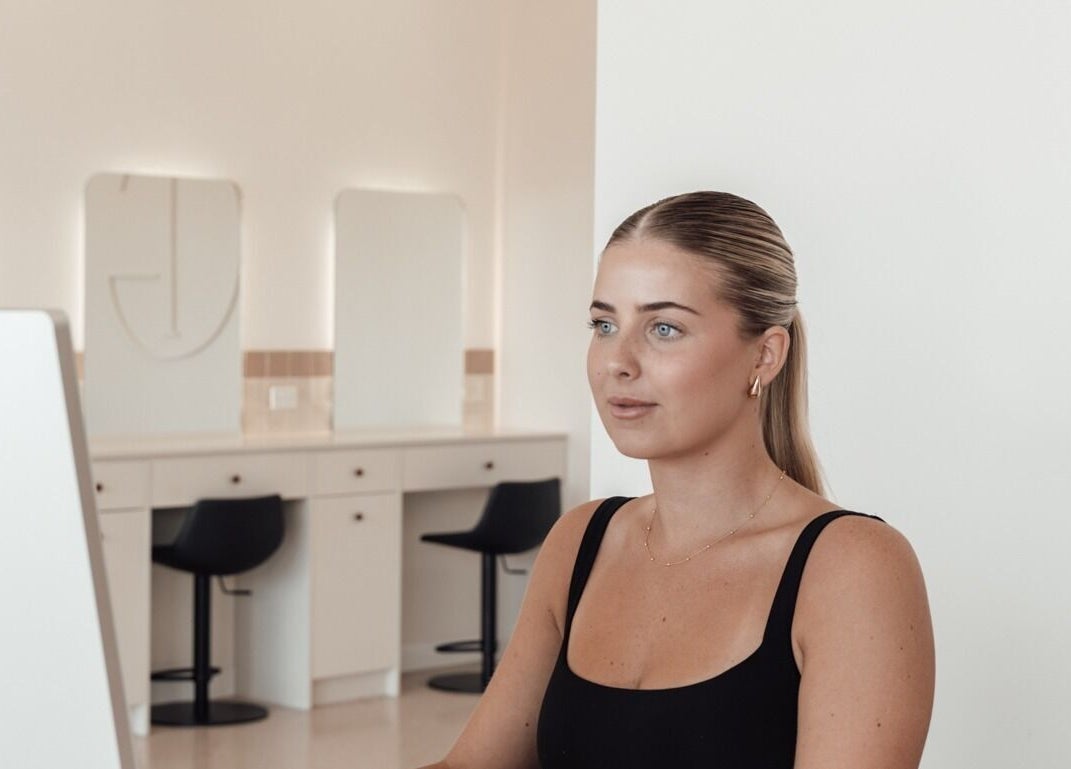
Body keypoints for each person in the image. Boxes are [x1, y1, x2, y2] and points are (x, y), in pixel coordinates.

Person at [419, 191, 934, 768]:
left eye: (663, 328)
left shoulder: (852, 568)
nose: (617, 361)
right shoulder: (581, 542)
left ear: (765, 356)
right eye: (604, 324)